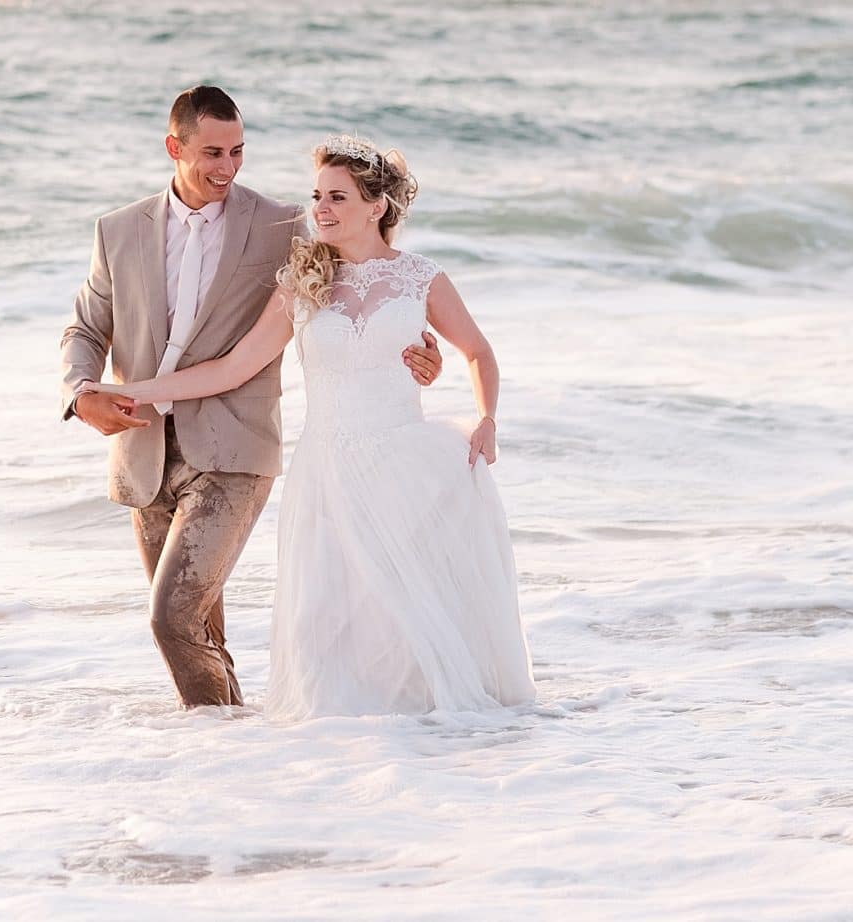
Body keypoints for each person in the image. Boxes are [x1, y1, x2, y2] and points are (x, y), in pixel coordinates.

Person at [77, 135, 535, 719]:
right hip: (327, 470)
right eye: (317, 194)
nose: (320, 207)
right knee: (330, 614)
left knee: (406, 606)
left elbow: (477, 351)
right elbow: (232, 367)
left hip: (405, 461)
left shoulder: (419, 278)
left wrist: (487, 420)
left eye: (337, 197)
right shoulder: (301, 279)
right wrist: (128, 389)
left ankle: (429, 734)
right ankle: (340, 746)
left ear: (377, 207)